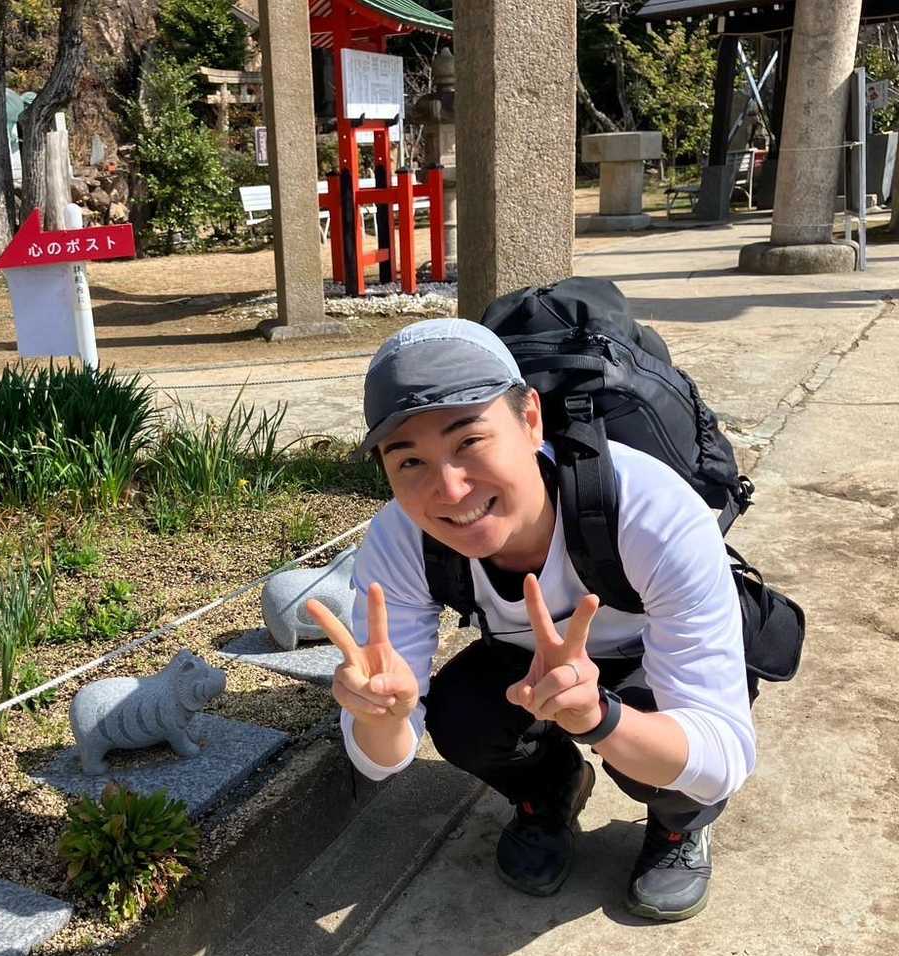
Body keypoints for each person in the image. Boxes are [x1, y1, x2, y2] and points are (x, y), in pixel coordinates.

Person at [308, 318, 755, 922]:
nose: (449, 490)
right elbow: (381, 758)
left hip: (646, 660)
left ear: (530, 421)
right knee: (461, 714)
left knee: (671, 766)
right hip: (527, 666)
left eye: (470, 441)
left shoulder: (652, 512)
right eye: (409, 461)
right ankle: (550, 791)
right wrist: (379, 717)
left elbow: (723, 758)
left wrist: (600, 717)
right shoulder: (399, 540)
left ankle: (679, 828)